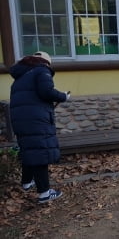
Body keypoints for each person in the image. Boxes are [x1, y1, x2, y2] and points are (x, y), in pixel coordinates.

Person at [9, 51, 70, 203]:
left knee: (29, 151)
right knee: (40, 154)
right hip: (36, 120)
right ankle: (45, 193)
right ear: (46, 62)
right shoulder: (42, 70)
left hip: (21, 120)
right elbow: (46, 92)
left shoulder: (20, 77)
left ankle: (26, 182)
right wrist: (63, 96)